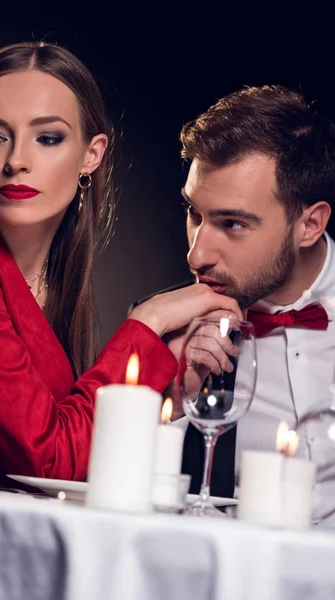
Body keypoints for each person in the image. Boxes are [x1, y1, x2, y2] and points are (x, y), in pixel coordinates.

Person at [0, 41, 242, 489]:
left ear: (91, 154)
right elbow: (51, 461)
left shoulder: (51, 276)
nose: (16, 160)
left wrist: (167, 391)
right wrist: (149, 321)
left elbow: (70, 449)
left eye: (47, 138)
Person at [173, 85, 335, 512]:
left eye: (233, 224)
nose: (197, 254)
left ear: (310, 225)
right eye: (194, 214)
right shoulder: (168, 330)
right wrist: (171, 390)